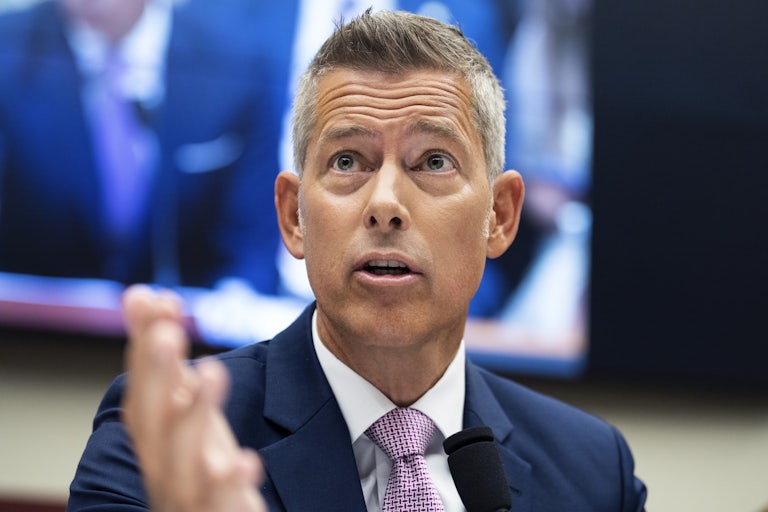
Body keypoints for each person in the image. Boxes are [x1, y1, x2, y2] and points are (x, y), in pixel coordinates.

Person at [67, 9, 648, 512]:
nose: (386, 205)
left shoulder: (595, 473)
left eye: (434, 161)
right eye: (348, 161)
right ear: (294, 216)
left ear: (498, 216)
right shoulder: (169, 440)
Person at [0, 0, 290, 292]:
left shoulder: (237, 63)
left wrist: (233, 306)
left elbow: (252, 247)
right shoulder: (8, 47)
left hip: (188, 325)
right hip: (35, 327)